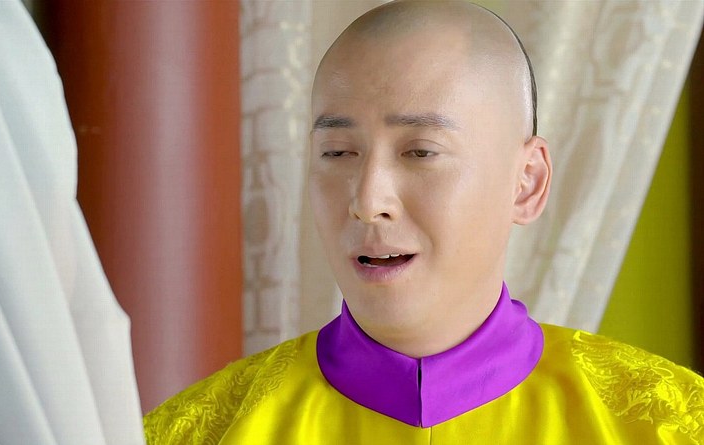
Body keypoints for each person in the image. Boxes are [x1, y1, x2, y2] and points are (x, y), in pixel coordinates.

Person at [144, 1, 704, 443]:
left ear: (527, 181)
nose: (368, 201)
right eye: (338, 153)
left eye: (420, 152)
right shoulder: (196, 431)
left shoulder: (669, 423)